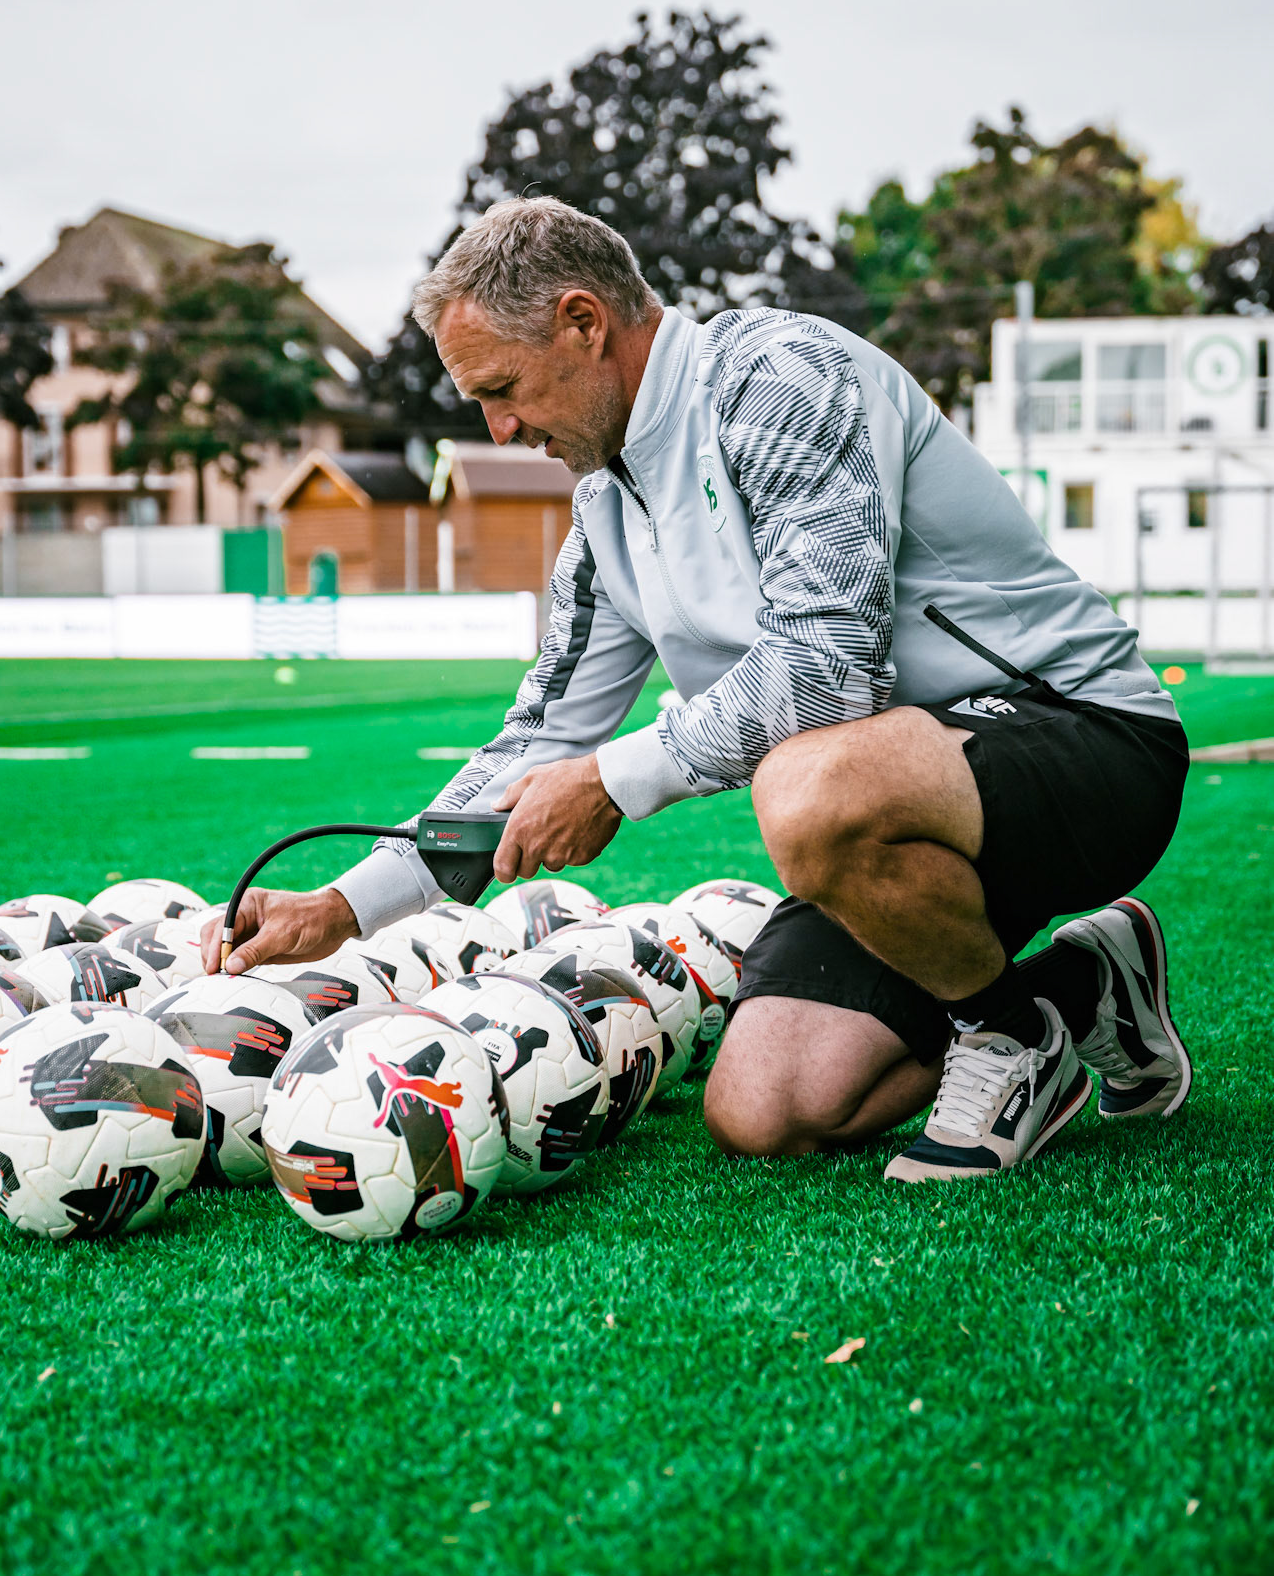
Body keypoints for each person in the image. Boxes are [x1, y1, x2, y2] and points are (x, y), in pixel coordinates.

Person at [204, 196, 1191, 1182]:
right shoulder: (604, 511)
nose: (499, 424)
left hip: (1089, 737)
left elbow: (824, 669)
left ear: (583, 323)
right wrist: (343, 904)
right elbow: (530, 751)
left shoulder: (777, 376)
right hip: (901, 808)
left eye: (501, 388)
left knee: (803, 786)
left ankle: (1009, 1036)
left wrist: (613, 778)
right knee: (767, 1105)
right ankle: (1080, 989)